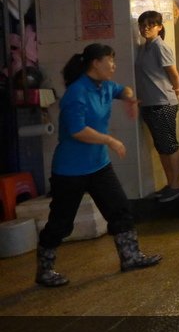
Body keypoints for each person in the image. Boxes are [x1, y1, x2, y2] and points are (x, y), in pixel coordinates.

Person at [35, 44, 162, 287]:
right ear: (95, 63)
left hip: (98, 165)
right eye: (110, 61)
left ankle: (131, 257)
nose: (114, 65)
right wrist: (110, 140)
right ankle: (45, 269)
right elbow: (78, 131)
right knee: (61, 223)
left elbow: (122, 89)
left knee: (120, 209)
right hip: (70, 169)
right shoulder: (76, 93)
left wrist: (129, 98)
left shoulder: (103, 86)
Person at [135, 11, 179, 203]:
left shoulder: (159, 47)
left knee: (169, 145)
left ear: (159, 27)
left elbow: (173, 72)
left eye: (150, 24)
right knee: (162, 146)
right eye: (142, 25)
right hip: (150, 102)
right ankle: (170, 183)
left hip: (163, 101)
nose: (145, 28)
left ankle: (176, 185)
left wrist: (178, 91)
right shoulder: (144, 48)